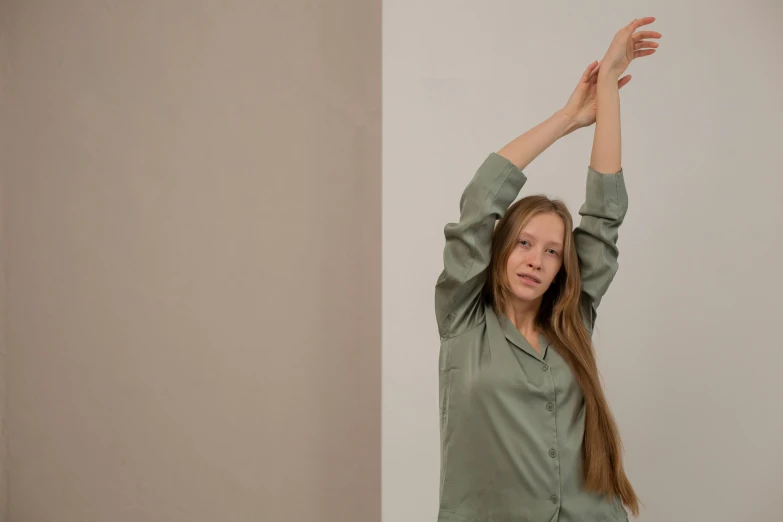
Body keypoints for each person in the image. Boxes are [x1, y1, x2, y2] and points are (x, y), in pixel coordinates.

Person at [433, 17, 661, 522]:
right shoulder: (463, 320)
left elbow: (604, 216)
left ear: (562, 267)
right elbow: (479, 200)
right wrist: (568, 118)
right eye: (523, 243)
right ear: (500, 249)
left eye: (552, 251)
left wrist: (609, 88)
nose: (536, 259)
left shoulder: (573, 321)